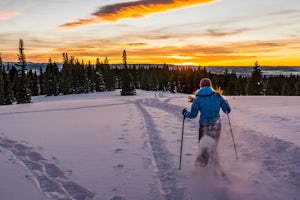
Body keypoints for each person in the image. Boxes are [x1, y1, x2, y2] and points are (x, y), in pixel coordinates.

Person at [182, 78, 231, 166]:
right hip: (216, 125)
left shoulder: (198, 98)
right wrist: (226, 103)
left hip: (204, 127)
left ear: (200, 86)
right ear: (210, 85)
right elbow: (227, 110)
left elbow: (193, 114)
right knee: (213, 147)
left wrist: (185, 113)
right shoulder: (217, 96)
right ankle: (216, 169)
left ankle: (201, 170)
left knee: (203, 149)